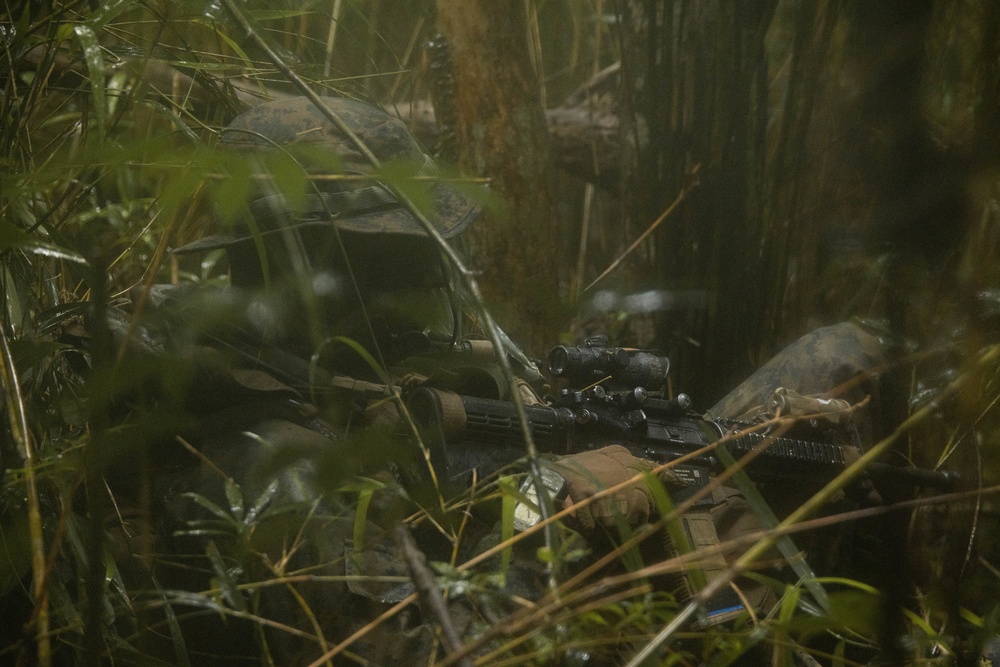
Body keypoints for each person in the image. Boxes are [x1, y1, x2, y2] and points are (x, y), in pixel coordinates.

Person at [108, 95, 890, 665]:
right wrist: (545, 518)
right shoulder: (270, 452)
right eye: (381, 249)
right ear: (292, 261)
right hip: (537, 600)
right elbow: (420, 648)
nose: (414, 267)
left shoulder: (368, 364)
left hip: (571, 557)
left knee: (844, 357)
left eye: (416, 245)